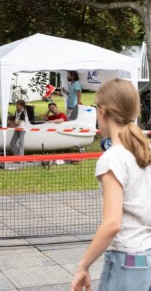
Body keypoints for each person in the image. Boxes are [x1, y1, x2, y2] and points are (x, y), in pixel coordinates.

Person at [71, 78, 151, 291]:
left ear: (103, 112)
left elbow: (112, 224)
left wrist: (83, 265)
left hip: (127, 261)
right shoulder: (145, 151)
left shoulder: (113, 159)